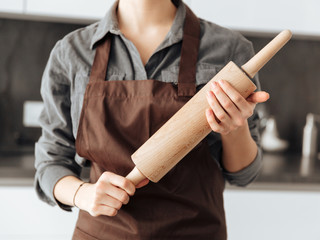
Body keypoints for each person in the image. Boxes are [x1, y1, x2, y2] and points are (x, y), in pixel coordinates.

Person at [35, 0, 269, 239]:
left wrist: (234, 128)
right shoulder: (72, 52)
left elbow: (244, 174)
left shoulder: (229, 49)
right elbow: (51, 163)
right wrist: (83, 194)